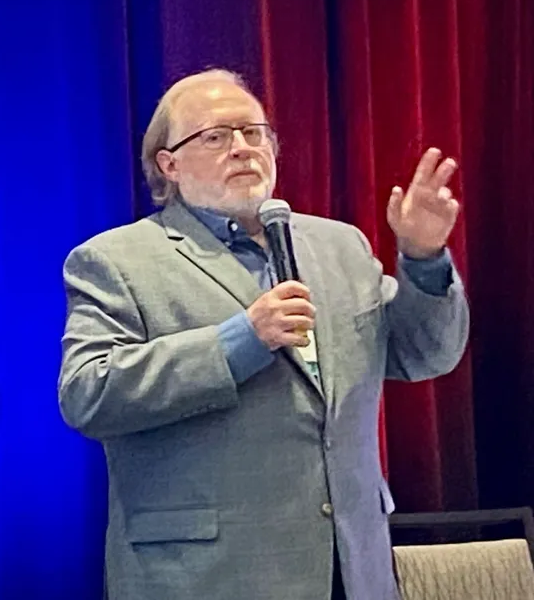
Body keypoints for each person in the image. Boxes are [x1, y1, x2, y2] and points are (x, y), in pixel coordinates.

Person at [58, 69, 468, 600]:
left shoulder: (339, 246)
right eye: (216, 136)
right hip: (208, 577)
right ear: (169, 164)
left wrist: (423, 259)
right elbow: (88, 394)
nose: (242, 148)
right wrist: (240, 341)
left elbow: (424, 354)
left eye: (254, 132)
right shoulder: (116, 261)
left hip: (351, 567)